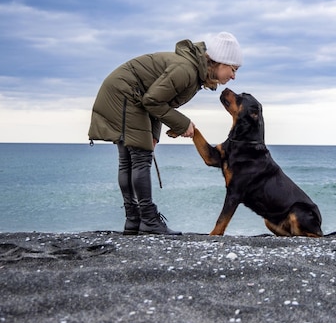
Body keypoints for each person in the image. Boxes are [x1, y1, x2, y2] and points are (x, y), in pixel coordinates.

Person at [88, 32, 243, 235]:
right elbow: (152, 101)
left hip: (125, 93)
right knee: (140, 158)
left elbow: (161, 100)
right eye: (233, 69)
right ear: (218, 62)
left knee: (130, 158)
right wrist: (183, 124)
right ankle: (148, 220)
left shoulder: (193, 72)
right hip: (125, 94)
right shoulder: (186, 70)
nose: (233, 76)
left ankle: (134, 220)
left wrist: (154, 134)